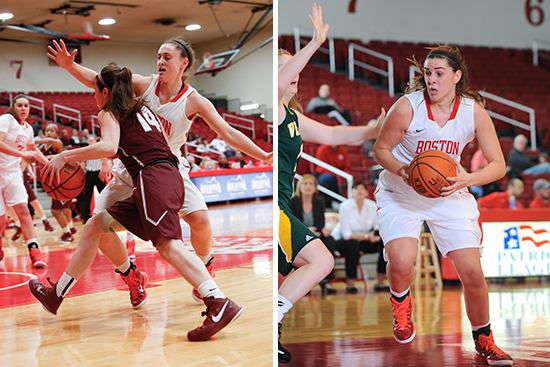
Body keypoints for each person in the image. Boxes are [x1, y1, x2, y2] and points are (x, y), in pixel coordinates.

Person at [48, 37, 272, 303]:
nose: (161, 61)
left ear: (183, 63)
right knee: (96, 228)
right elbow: (102, 83)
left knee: (200, 219)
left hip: (167, 167)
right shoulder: (145, 84)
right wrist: (68, 67)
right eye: (158, 56)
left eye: (167, 57)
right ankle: (131, 275)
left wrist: (264, 154)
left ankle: (203, 268)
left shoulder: (194, 100)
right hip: (130, 167)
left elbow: (228, 132)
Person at [28, 65, 243, 341]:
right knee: (95, 226)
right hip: (163, 177)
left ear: (105, 92)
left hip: (154, 179)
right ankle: (55, 295)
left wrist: (65, 156)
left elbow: (108, 146)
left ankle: (218, 301)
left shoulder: (108, 112)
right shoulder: (141, 107)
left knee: (168, 246)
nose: (93, 95)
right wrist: (71, 67)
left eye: (95, 90)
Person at [371, 44, 512, 365]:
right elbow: (381, 150)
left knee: (473, 273)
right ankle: (401, 302)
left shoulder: (472, 111)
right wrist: (403, 169)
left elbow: (498, 165)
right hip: (401, 193)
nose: (431, 80)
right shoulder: (407, 107)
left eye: (439, 74)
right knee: (403, 261)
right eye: (427, 74)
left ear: (456, 77)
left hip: (450, 192)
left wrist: (468, 179)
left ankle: (484, 339)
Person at [277, 5, 381, 363]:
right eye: (289, 70)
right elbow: (277, 82)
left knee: (284, 278)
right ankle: (270, 323)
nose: (296, 76)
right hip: (271, 206)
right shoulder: (274, 106)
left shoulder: (291, 115)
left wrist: (370, 130)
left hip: (279, 206)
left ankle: (269, 332)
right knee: (320, 261)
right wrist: (315, 43)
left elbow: (334, 133)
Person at [0, 95, 48, 267]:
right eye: (19, 105)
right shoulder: (6, 120)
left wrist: (49, 164)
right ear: (13, 107)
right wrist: (22, 155)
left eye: (26, 105)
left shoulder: (28, 129)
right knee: (1, 220)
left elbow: (32, 150)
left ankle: (35, 252)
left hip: (13, 174)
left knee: (24, 212)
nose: (23, 108)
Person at [334, 180, 389, 293]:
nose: (359, 191)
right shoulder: (345, 206)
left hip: (365, 239)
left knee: (385, 244)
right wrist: (366, 237)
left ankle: (380, 281)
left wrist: (373, 237)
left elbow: (376, 227)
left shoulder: (372, 205)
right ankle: (351, 283)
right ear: (352, 192)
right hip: (344, 241)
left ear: (366, 192)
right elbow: (346, 234)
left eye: (361, 189)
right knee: (352, 245)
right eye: (356, 189)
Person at [289, 174, 336, 294]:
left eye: (311, 184)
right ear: (300, 187)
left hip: (316, 234)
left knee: (330, 241)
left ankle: (326, 279)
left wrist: (319, 231)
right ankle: (303, 280)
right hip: (299, 235)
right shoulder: (293, 202)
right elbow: (293, 223)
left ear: (315, 188)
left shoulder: (319, 201)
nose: (308, 186)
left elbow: (320, 223)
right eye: (305, 183)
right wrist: (307, 230)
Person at [36, 123, 78, 244]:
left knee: (55, 210)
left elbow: (51, 142)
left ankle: (67, 233)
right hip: (53, 182)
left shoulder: (58, 143)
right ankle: (71, 227)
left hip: (62, 182)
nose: (48, 133)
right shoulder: (43, 147)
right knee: (65, 208)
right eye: (47, 130)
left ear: (56, 134)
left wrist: (35, 141)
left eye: (51, 131)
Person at [76, 135, 108, 224]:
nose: (91, 142)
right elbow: (82, 165)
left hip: (99, 174)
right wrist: (81, 176)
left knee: (104, 194)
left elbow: (104, 162)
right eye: (89, 141)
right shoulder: (86, 152)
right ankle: (86, 217)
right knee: (87, 197)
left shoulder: (100, 150)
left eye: (92, 141)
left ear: (95, 141)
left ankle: (107, 214)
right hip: (89, 175)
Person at [315, 144, 350, 208]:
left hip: (339, 175)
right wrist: (337, 174)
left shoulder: (343, 150)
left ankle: (344, 201)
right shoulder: (322, 149)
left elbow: (346, 167)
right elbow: (321, 168)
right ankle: (335, 200)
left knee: (348, 178)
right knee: (328, 178)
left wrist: (342, 175)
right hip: (324, 175)